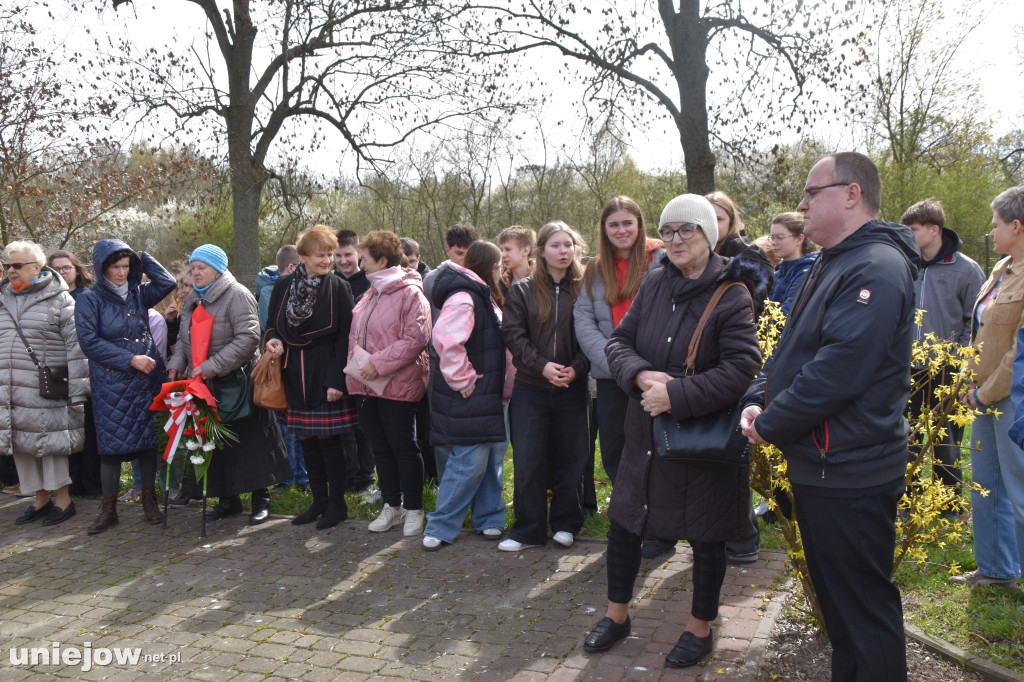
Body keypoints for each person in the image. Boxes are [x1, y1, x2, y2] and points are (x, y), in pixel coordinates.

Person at [740, 152, 917, 680]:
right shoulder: (835, 260)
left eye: (811, 192)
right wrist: (760, 396)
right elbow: (797, 349)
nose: (801, 203)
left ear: (851, 194)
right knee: (843, 615)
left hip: (850, 471)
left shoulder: (875, 268)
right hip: (824, 464)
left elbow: (839, 371)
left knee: (863, 613)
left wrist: (769, 424)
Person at [582, 194, 763, 669]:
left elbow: (742, 368)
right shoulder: (656, 284)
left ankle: (699, 628)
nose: (676, 239)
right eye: (668, 230)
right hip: (644, 435)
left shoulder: (732, 293)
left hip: (697, 440)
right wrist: (642, 377)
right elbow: (619, 342)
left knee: (705, 537)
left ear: (709, 233)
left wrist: (677, 396)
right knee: (625, 526)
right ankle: (616, 616)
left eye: (688, 229)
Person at [573, 197, 670, 559]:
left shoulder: (662, 261)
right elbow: (583, 322)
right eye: (613, 225)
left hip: (658, 375)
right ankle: (633, 523)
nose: (621, 230)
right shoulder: (595, 270)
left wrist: (646, 370)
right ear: (604, 230)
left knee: (658, 453)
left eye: (627, 222)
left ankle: (660, 530)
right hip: (614, 379)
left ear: (640, 224)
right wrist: (621, 366)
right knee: (616, 454)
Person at [167, 244, 291, 525]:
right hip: (205, 385)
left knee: (250, 443)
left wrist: (211, 366)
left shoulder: (237, 295)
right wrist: (176, 364)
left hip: (238, 383)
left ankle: (261, 499)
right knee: (217, 444)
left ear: (218, 270)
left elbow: (248, 339)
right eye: (193, 267)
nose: (195, 273)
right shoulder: (193, 300)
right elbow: (186, 340)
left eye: (201, 268)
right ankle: (228, 500)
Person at [499, 221, 590, 552]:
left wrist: (576, 369)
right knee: (528, 458)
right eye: (555, 245)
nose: (563, 251)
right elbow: (513, 334)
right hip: (531, 388)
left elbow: (594, 334)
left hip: (573, 387)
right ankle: (528, 528)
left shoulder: (586, 287)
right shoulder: (522, 290)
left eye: (568, 244)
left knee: (572, 458)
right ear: (541, 251)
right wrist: (542, 366)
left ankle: (566, 523)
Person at [75, 239, 176, 533]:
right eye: (115, 267)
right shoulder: (89, 299)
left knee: (147, 442)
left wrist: (141, 256)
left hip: (146, 378)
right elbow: (89, 342)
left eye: (125, 266)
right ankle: (108, 509)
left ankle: (149, 500)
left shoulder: (138, 294)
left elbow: (167, 281)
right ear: (102, 268)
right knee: (112, 446)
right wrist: (130, 358)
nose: (121, 272)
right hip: (112, 381)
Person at [955, 186, 1024, 588]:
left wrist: (986, 392)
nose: (991, 231)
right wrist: (969, 380)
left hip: (1013, 399)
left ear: (1016, 226)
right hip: (983, 395)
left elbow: (1019, 352)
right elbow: (978, 334)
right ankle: (997, 570)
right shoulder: (1000, 270)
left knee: (1018, 492)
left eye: (996, 224)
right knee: (985, 485)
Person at [422, 241, 512, 550]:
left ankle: (489, 518)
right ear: (492, 267)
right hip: (473, 394)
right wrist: (463, 379)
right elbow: (446, 340)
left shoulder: (482, 294)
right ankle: (441, 524)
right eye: (500, 266)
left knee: (491, 461)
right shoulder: (464, 296)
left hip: (492, 395)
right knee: (469, 462)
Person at [265, 226, 356, 530]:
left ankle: (337, 504)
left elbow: (346, 337)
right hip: (293, 373)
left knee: (330, 444)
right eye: (321, 254)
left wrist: (337, 380)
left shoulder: (339, 287)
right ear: (303, 256)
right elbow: (271, 325)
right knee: (306, 442)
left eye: (330, 254)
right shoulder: (283, 286)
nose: (328, 260)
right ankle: (318, 502)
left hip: (325, 370)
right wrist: (273, 340)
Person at [346, 230, 432, 536]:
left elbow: (416, 338)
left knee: (403, 447)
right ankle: (392, 507)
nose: (360, 263)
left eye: (365, 258)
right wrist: (356, 373)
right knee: (381, 448)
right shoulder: (371, 292)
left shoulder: (411, 293)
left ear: (382, 260)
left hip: (398, 383)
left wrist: (376, 365)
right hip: (366, 386)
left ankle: (414, 509)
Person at [901, 198, 984, 515]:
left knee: (945, 440)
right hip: (908, 368)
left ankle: (948, 505)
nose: (908, 235)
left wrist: (960, 364)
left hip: (946, 370)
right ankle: (909, 499)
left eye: (914, 229)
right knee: (906, 435)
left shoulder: (966, 269)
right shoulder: (906, 265)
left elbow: (973, 323)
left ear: (934, 229)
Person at [2, 241, 89, 527]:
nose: (10, 271)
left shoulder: (60, 299)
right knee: (22, 445)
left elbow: (77, 347)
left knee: (51, 444)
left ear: (36, 268)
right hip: (10, 387)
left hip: (46, 387)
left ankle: (63, 500)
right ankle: (39, 499)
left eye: (17, 265)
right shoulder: (2, 297)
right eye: (6, 266)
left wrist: (79, 390)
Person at [422, 223, 481, 482]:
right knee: (443, 430)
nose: (465, 259)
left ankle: (475, 491)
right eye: (459, 253)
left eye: (469, 252)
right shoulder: (432, 280)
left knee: (476, 434)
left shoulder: (484, 276)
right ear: (447, 250)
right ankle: (447, 486)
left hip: (478, 365)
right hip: (439, 365)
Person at [47, 249, 101, 500]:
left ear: (77, 270)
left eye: (66, 267)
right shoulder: (48, 299)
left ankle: (91, 485)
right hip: (59, 372)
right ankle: (71, 484)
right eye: (56, 268)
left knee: (87, 430)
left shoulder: (87, 296)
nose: (61, 272)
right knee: (66, 430)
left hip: (86, 371)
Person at [256, 245, 307, 493]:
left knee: (289, 425)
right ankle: (294, 477)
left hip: (286, 364)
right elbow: (275, 327)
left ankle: (293, 476)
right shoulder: (274, 289)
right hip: (283, 364)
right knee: (288, 426)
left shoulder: (270, 285)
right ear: (291, 267)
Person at [767, 212, 820, 316]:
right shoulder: (777, 275)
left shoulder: (808, 273)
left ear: (799, 239)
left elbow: (786, 316)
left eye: (780, 237)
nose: (773, 242)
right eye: (772, 238)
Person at [706, 191, 748, 257]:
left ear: (731, 221)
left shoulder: (738, 248)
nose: (712, 225)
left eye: (718, 219)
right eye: (707, 219)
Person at [498, 225, 536, 296]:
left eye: (508, 249)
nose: (503, 255)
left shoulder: (543, 282)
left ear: (525, 251)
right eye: (502, 250)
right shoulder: (500, 285)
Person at [334, 229, 370, 302]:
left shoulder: (370, 283)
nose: (343, 261)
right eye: (338, 255)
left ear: (359, 253)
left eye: (348, 255)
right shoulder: (330, 284)